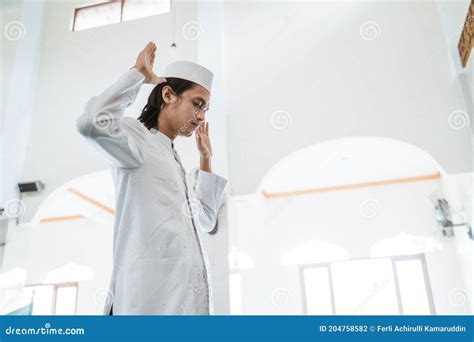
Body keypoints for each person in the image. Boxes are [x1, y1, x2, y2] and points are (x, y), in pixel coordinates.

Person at [76, 42, 228, 315]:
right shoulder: (137, 140)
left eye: (206, 109)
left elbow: (205, 219)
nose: (201, 116)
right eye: (198, 104)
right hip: (145, 302)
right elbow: (90, 123)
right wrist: (137, 74)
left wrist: (205, 158)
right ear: (168, 94)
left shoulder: (172, 161)